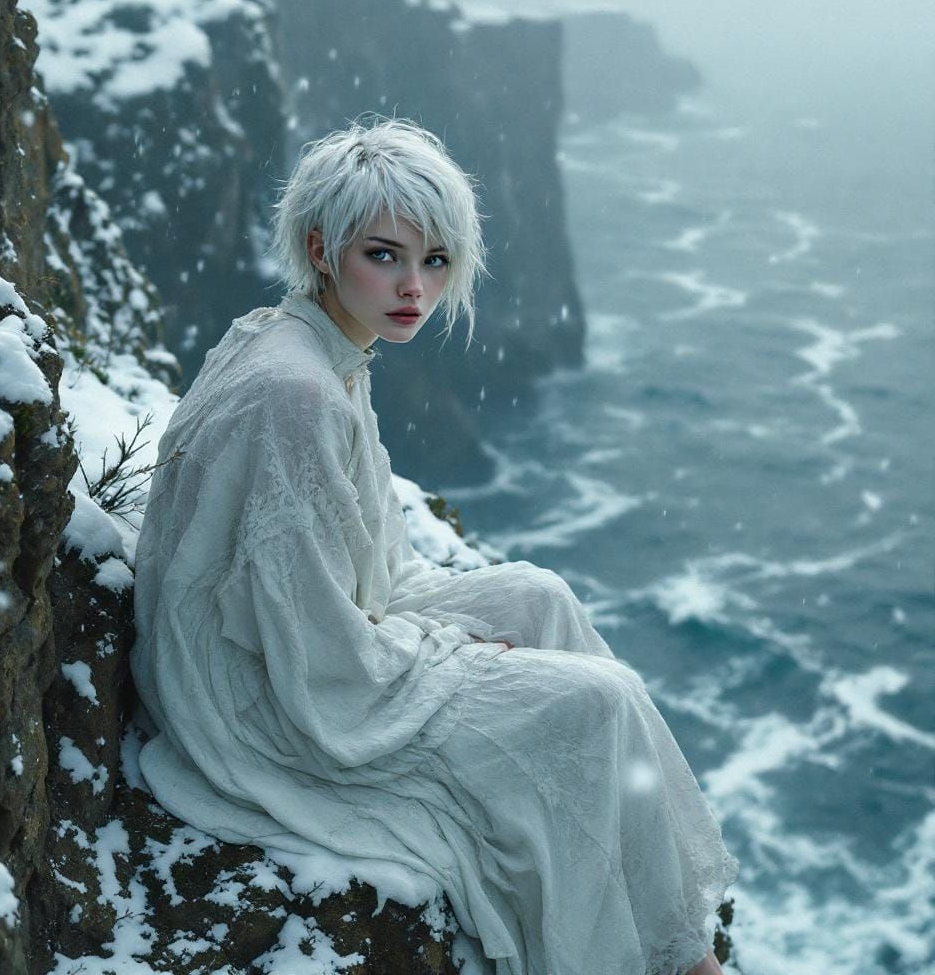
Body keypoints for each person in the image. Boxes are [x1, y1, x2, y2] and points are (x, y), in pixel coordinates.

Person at [130, 116, 738, 975]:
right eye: (384, 255)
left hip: (315, 630)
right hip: (251, 697)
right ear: (319, 246)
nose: (414, 286)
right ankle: (659, 963)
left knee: (540, 599)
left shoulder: (323, 347)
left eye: (436, 261)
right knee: (596, 704)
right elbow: (311, 650)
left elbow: (365, 570)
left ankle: (656, 934)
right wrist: (445, 652)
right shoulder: (294, 395)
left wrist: (452, 643)